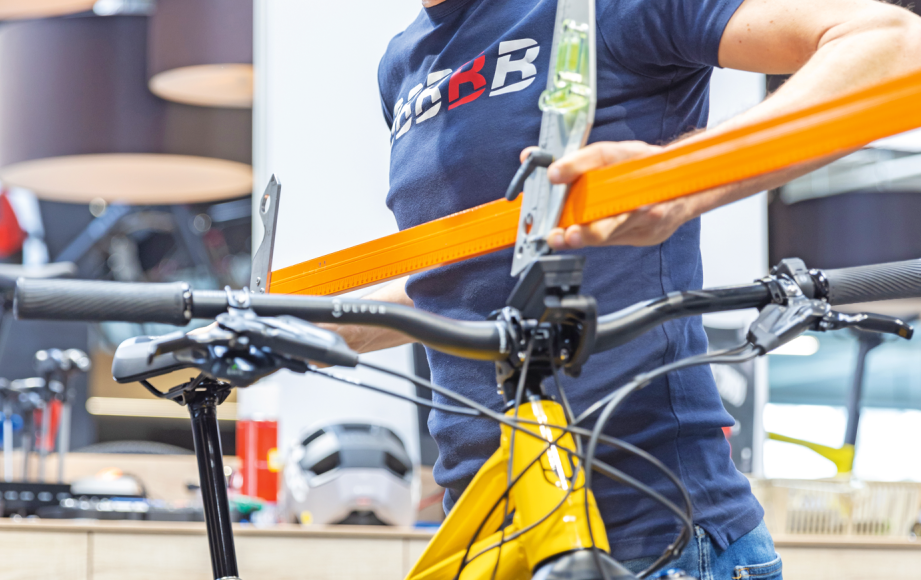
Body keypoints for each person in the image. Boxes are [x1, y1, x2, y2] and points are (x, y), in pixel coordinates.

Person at [331, 1, 921, 578]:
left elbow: (893, 45)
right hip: (486, 531)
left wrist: (679, 182)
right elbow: (468, 286)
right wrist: (320, 323)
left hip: (650, 542)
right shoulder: (404, 65)